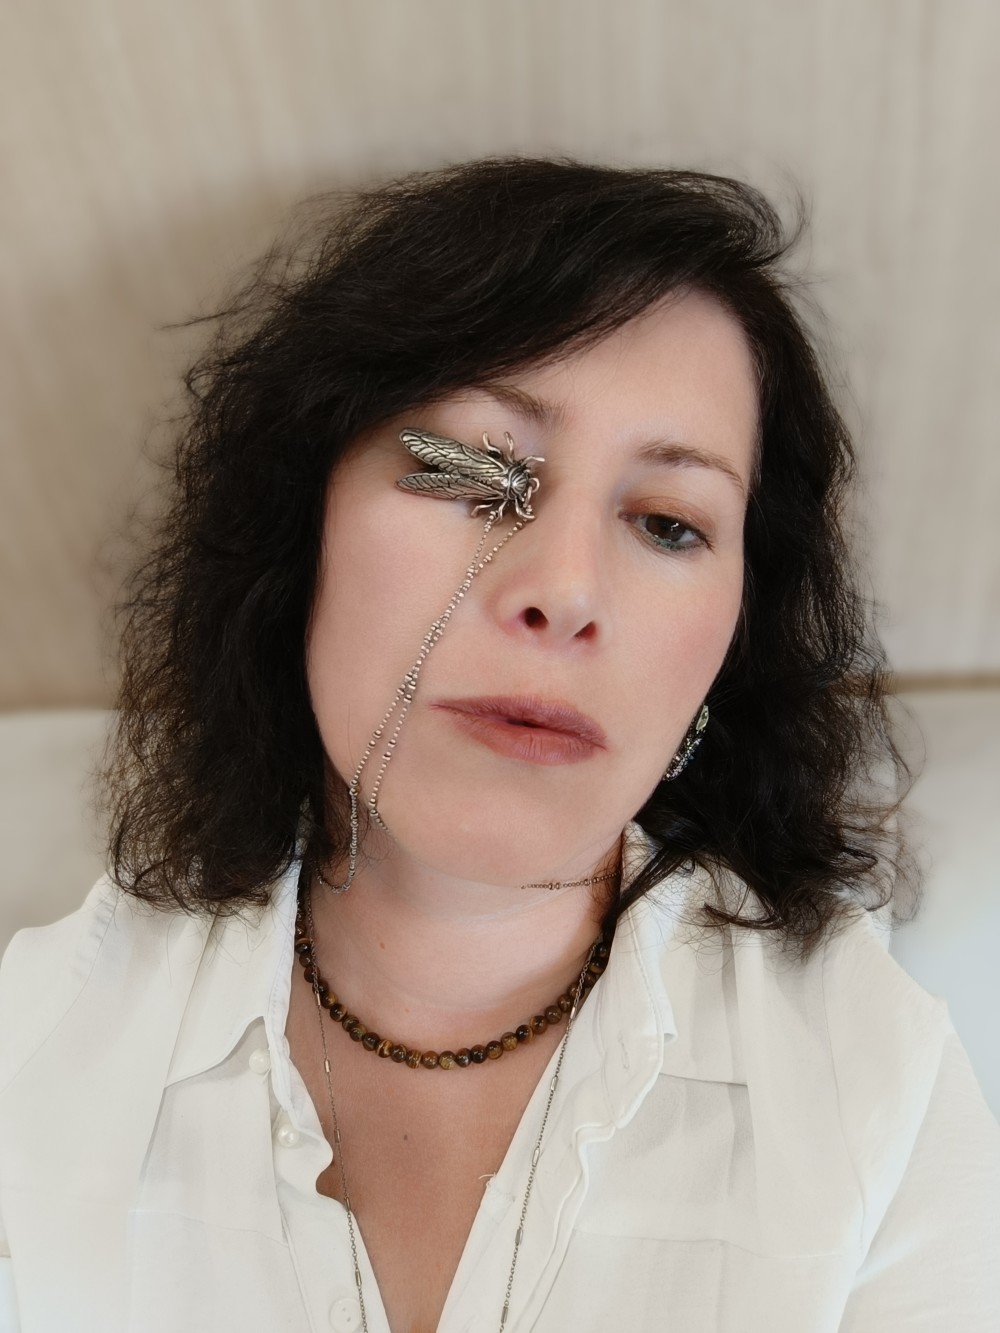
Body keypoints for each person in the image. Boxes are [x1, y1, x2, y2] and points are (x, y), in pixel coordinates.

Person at [1, 158, 997, 1333]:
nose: (564, 590)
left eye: (667, 523)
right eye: (470, 472)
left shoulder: (871, 1087)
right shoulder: (37, 1052)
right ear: (297, 533)